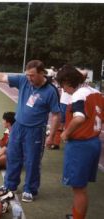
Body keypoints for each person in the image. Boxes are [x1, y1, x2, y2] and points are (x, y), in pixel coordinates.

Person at [0, 60, 61, 202]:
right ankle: (9, 186)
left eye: (32, 75)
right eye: (27, 75)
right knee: (13, 156)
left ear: (42, 73)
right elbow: (2, 77)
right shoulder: (24, 80)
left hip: (36, 131)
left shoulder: (51, 91)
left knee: (32, 161)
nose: (29, 78)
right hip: (18, 127)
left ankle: (30, 190)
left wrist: (52, 136)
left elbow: (56, 115)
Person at [55, 65, 104, 219]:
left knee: (79, 188)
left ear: (68, 82)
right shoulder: (96, 93)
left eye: (62, 85)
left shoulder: (78, 95)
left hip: (80, 145)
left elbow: (79, 117)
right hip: (94, 142)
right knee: (81, 187)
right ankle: (77, 215)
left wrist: (65, 133)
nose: (63, 90)